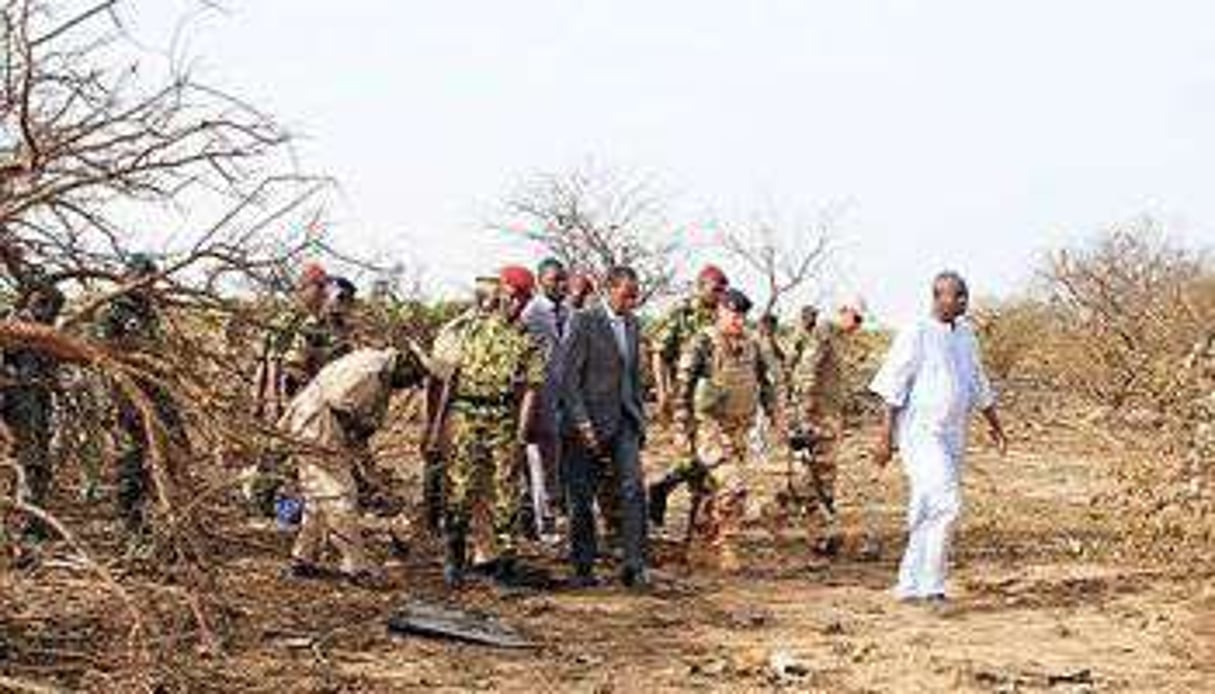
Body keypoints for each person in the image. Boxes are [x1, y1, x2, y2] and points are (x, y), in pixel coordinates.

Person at [870, 271, 1007, 603]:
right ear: (937, 297)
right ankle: (932, 585)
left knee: (926, 505)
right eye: (956, 295)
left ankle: (909, 584)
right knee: (947, 503)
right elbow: (893, 385)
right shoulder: (916, 332)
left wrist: (995, 425)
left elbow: (978, 381)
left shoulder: (966, 335)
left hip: (953, 433)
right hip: (921, 432)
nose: (963, 301)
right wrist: (885, 437)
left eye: (965, 295)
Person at [280, 346, 428, 587]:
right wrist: (363, 454)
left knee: (319, 497)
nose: (409, 385)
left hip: (319, 423)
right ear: (405, 364)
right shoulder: (370, 371)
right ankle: (356, 567)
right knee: (341, 496)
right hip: (317, 426)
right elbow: (342, 409)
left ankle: (302, 559)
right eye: (412, 378)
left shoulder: (378, 367)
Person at [439, 266, 544, 587]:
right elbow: (449, 380)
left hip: (502, 418)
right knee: (459, 489)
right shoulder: (469, 329)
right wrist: (437, 426)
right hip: (465, 413)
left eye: (524, 299)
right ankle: (454, 558)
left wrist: (521, 436)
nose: (517, 304)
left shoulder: (528, 339)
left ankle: (505, 566)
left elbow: (531, 390)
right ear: (501, 293)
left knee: (506, 494)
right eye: (513, 296)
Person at [671, 288, 776, 571]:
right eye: (733, 314)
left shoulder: (752, 345)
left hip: (740, 428)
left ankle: (699, 547)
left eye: (742, 315)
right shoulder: (702, 342)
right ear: (720, 311)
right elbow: (683, 389)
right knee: (733, 484)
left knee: (710, 488)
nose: (738, 321)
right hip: (710, 427)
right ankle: (727, 545)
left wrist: (777, 417)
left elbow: (766, 383)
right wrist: (681, 430)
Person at [560, 265, 649, 588]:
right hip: (588, 422)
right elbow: (567, 377)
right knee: (582, 497)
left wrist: (639, 416)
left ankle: (635, 564)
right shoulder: (584, 321)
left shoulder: (634, 325)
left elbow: (633, 375)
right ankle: (583, 566)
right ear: (608, 289)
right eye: (627, 295)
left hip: (624, 419)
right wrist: (581, 421)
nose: (631, 302)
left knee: (634, 489)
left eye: (635, 296)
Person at [96, 254, 191, 537]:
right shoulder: (112, 311)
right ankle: (130, 525)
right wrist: (114, 402)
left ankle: (167, 515)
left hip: (158, 394)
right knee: (130, 461)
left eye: (152, 280)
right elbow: (102, 356)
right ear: (129, 278)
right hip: (125, 395)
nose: (149, 285)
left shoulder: (150, 312)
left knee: (172, 448)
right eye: (143, 278)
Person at [783, 302, 864, 557]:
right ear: (843, 312)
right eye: (856, 318)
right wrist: (804, 413)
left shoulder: (839, 338)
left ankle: (818, 532)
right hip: (816, 415)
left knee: (824, 477)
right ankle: (784, 514)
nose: (858, 325)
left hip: (830, 416)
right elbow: (808, 370)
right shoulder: (824, 331)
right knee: (813, 475)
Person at [421, 275, 501, 534]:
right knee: (446, 470)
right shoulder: (455, 332)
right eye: (496, 299)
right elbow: (442, 381)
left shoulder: (506, 331)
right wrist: (433, 425)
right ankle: (442, 529)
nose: (502, 304)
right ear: (483, 301)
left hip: (492, 414)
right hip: (456, 411)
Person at [1, 276, 65, 542]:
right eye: (42, 302)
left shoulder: (45, 332)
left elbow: (51, 370)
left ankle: (34, 522)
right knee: (26, 463)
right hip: (17, 405)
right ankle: (22, 528)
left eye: (52, 305)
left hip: (37, 404)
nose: (47, 310)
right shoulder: (12, 325)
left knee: (39, 464)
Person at [519, 258, 569, 537]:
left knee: (554, 461)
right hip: (538, 398)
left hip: (563, 399)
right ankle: (543, 523)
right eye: (554, 280)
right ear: (541, 281)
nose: (561, 285)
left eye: (563, 279)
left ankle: (543, 517)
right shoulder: (530, 314)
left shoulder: (570, 313)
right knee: (538, 460)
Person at [650, 265, 729, 416]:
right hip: (683, 393)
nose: (721, 295)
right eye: (716, 290)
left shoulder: (724, 316)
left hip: (714, 395)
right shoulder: (682, 311)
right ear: (700, 286)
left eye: (723, 291)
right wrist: (662, 391)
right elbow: (658, 353)